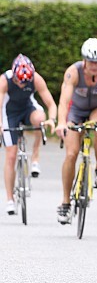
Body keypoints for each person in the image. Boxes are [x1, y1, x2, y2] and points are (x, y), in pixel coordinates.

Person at [55, 38, 97, 224]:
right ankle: (66, 202)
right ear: (84, 60)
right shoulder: (73, 72)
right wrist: (61, 122)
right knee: (71, 154)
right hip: (75, 111)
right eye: (92, 62)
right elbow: (63, 101)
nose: (95, 66)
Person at [0, 55, 57, 215]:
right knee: (11, 155)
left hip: (27, 109)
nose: (22, 84)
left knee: (40, 120)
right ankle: (10, 199)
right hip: (9, 114)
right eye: (19, 82)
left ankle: (35, 157)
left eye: (26, 82)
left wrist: (51, 120)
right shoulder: (4, 80)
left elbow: (51, 104)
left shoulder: (36, 79)